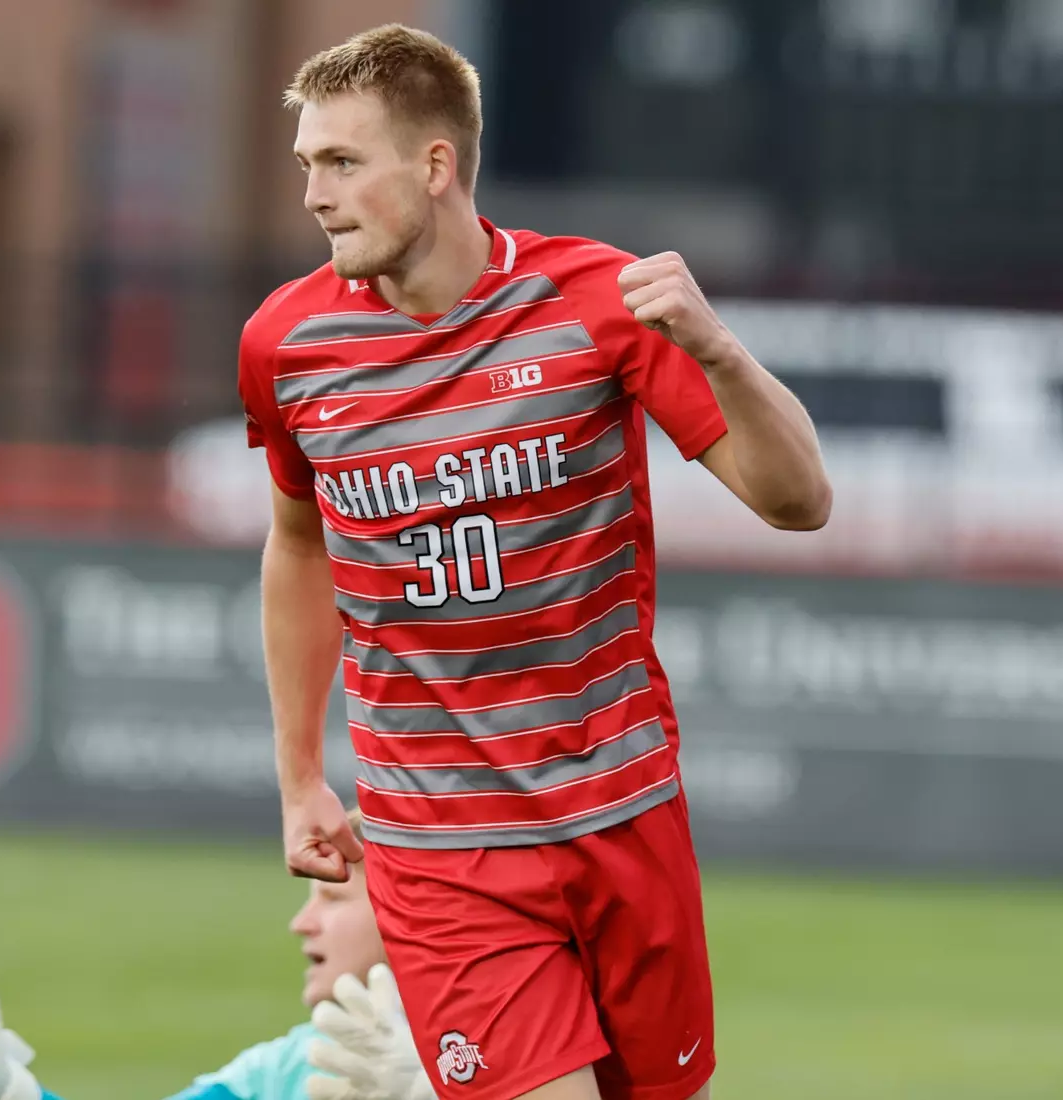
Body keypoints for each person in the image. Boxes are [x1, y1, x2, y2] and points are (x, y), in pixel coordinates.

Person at [239, 23, 833, 1100]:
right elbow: (297, 542)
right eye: (307, 166)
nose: (316, 194)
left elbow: (799, 501)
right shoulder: (287, 346)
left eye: (342, 162)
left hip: (621, 810)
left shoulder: (594, 303)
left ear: (435, 165)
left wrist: (719, 349)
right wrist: (297, 775)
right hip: (441, 844)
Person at [0, 810, 435, 1100]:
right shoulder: (283, 1070)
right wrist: (9, 1089)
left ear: (404, 915)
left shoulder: (501, 1052)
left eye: (332, 899)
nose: (302, 923)